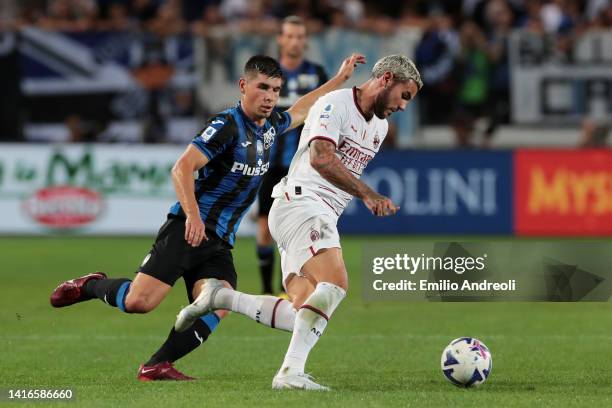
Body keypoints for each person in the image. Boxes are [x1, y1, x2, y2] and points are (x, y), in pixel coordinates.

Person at [49, 53, 365, 381]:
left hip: (220, 240)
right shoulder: (226, 126)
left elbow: (302, 107)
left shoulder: (270, 128)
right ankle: (90, 285)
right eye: (262, 88)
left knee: (219, 302)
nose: (270, 97)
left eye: (275, 89)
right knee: (139, 302)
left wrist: (340, 79)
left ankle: (157, 364)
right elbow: (182, 168)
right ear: (243, 86)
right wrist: (193, 217)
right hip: (188, 230)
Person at [175, 54, 422, 390]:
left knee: (301, 313)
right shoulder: (335, 105)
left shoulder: (380, 126)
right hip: (302, 203)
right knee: (335, 284)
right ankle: (290, 374)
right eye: (404, 96)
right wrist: (367, 194)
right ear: (387, 78)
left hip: (316, 213)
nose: (404, 106)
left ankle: (220, 297)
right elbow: (321, 158)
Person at [256, 15, 328, 295]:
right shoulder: (266, 74)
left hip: (303, 166)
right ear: (281, 39)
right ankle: (266, 292)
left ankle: (290, 289)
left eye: (300, 36)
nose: (295, 41)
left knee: (299, 229)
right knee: (264, 228)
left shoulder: (317, 74)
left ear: (305, 41)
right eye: (290, 36)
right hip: (268, 163)